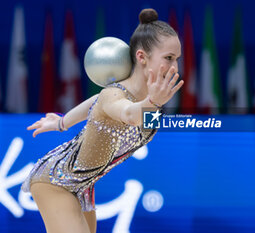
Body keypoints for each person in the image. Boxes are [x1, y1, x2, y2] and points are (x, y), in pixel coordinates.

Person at [21, 8, 183, 233]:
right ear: (141, 57)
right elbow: (128, 114)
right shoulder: (118, 97)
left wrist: (62, 122)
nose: (175, 66)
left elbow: (97, 100)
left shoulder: (138, 100)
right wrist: (153, 102)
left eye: (176, 58)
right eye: (168, 58)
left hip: (84, 187)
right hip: (56, 180)